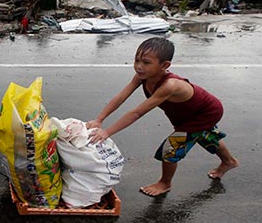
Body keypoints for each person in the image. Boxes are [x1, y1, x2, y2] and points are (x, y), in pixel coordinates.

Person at [87, 37, 238, 197]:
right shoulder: (141, 77)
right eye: (136, 60)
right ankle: (229, 161)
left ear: (164, 65)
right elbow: (121, 96)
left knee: (170, 149)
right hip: (185, 114)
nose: (139, 66)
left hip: (204, 113)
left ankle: (165, 184)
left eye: (146, 62)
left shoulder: (170, 86)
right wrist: (99, 119)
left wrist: (107, 132)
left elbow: (137, 113)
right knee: (204, 135)